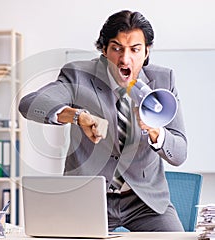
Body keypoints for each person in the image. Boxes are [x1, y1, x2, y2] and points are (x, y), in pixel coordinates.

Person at [19, 10, 187, 231]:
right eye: (117, 48)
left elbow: (180, 153)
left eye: (135, 49)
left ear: (146, 52)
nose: (125, 59)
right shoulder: (78, 74)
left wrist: (156, 131)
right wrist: (77, 116)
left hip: (145, 202)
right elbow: (29, 104)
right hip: (87, 198)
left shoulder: (163, 79)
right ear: (104, 50)